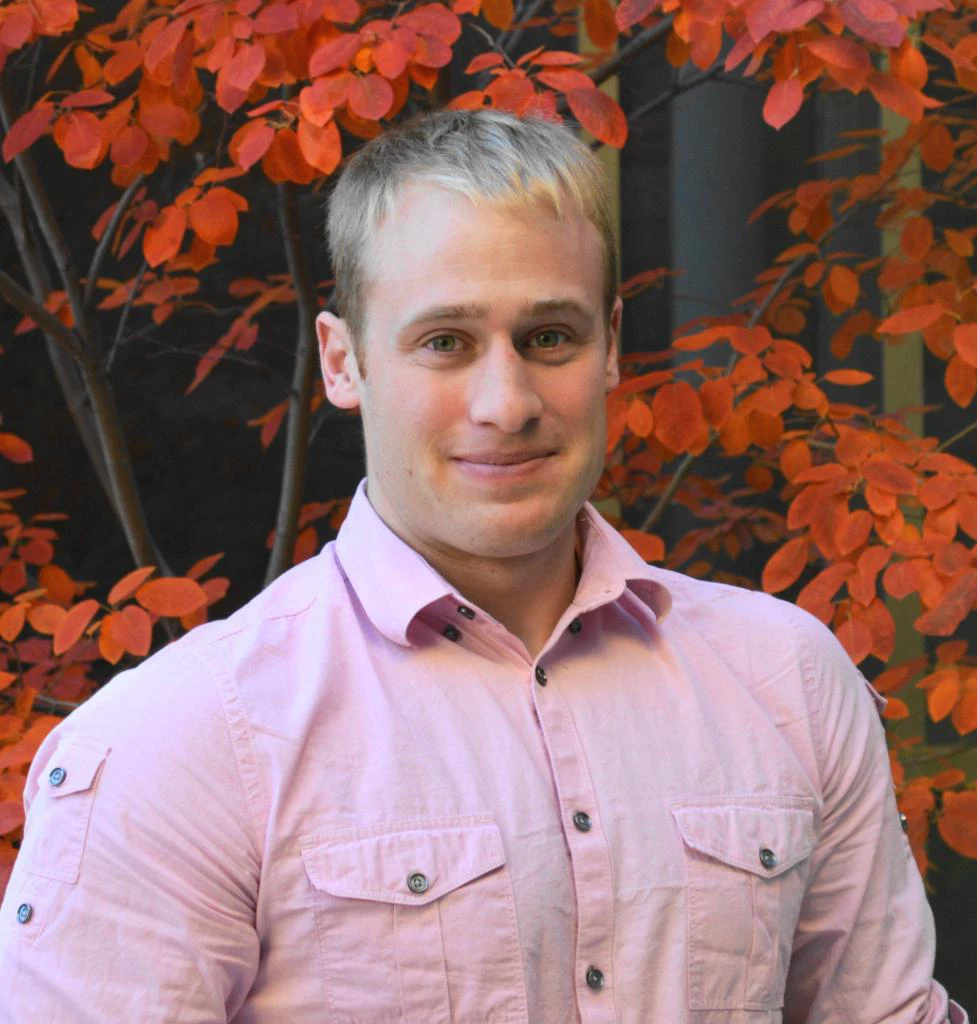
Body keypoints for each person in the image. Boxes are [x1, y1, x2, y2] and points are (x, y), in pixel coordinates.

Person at [0, 109, 967, 1024]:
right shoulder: (185, 742)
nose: (506, 403)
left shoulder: (787, 680)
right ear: (342, 362)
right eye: (444, 343)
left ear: (610, 347)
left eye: (548, 338)